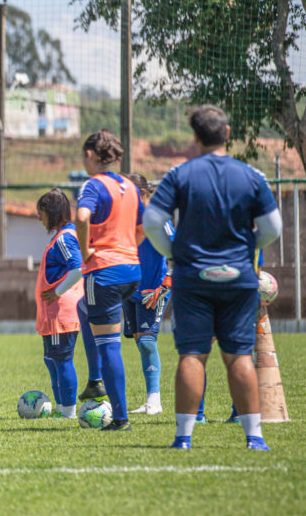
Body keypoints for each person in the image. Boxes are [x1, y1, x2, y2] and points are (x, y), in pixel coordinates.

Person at [143, 105, 281, 450]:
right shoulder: (251, 176)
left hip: (193, 277)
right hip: (238, 278)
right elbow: (273, 228)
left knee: (193, 355)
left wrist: (173, 252)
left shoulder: (179, 175)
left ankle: (184, 438)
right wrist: (247, 248)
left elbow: (151, 223)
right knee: (239, 356)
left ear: (195, 137)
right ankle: (254, 437)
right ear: (228, 134)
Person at [74, 130, 143, 432]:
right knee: (94, 322)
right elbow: (144, 224)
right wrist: (129, 248)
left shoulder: (94, 184)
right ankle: (115, 406)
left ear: (91, 155)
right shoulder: (129, 184)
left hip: (104, 272)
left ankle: (121, 418)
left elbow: (81, 216)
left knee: (109, 347)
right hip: (132, 270)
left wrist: (86, 248)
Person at [122, 173, 174, 416]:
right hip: (130, 290)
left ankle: (155, 400)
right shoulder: (125, 217)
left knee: (146, 340)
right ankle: (149, 399)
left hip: (153, 290)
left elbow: (177, 254)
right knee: (139, 341)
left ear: (143, 193)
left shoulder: (157, 218)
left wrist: (165, 286)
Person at [34, 188, 83, 419]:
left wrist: (57, 291)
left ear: (51, 212)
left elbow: (77, 268)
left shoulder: (64, 238)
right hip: (51, 313)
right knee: (51, 359)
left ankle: (68, 411)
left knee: (62, 359)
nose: (39, 217)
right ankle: (63, 407)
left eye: (41, 212)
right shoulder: (61, 236)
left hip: (60, 312)